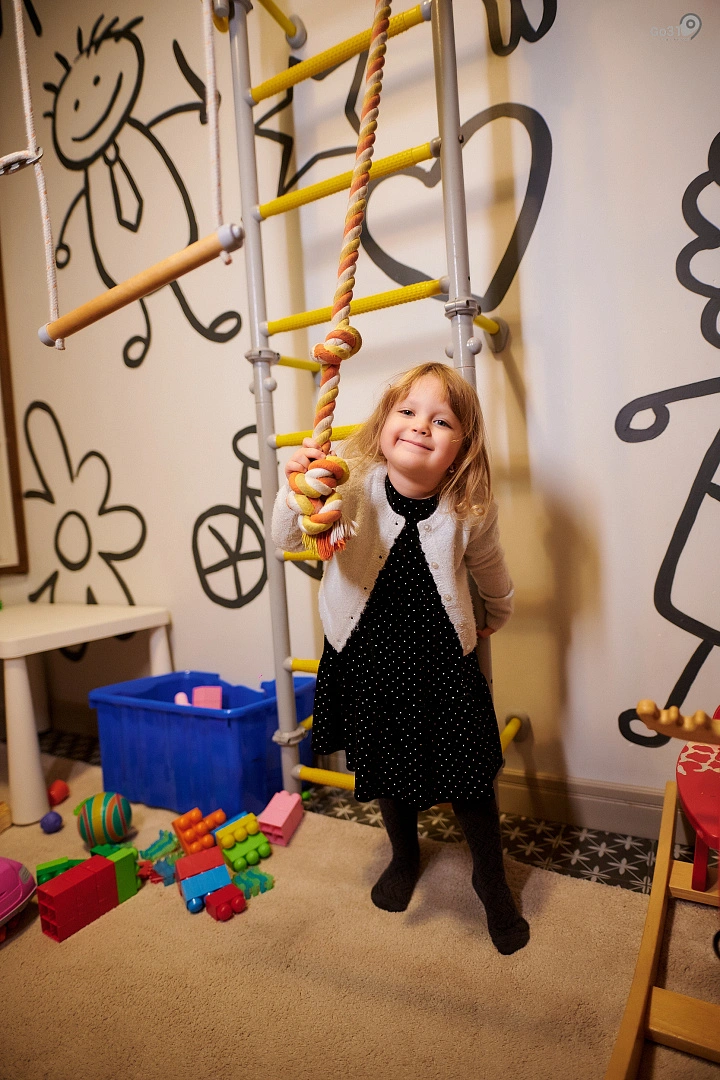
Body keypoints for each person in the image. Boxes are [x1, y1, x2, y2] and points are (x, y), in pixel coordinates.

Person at [272, 361, 529, 954]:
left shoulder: (468, 506)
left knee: (470, 775)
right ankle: (404, 854)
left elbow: (489, 565)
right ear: (384, 423)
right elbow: (287, 538)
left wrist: (499, 608)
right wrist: (297, 489)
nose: (420, 426)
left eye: (441, 421)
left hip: (440, 665)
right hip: (365, 659)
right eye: (407, 411)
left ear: (461, 448)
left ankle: (490, 878)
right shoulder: (349, 485)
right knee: (385, 764)